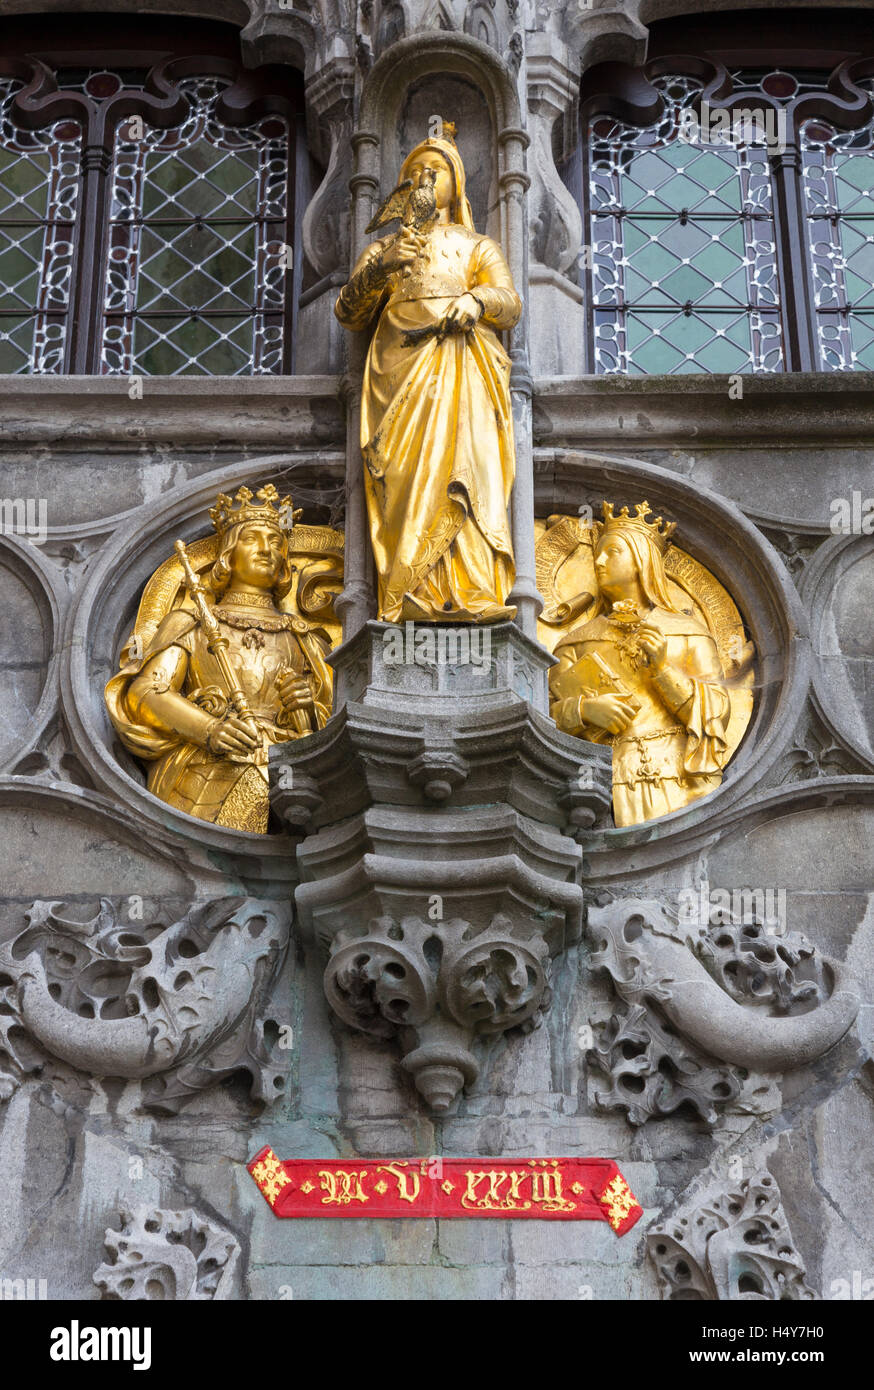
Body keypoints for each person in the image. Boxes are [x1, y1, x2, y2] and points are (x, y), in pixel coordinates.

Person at [335, 122, 522, 622]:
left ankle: (472, 592)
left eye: (435, 170)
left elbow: (509, 304)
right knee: (408, 481)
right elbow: (349, 313)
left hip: (462, 364)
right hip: (399, 371)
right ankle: (407, 592)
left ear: (455, 183)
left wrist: (476, 299)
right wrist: (381, 267)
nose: (423, 177)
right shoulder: (384, 249)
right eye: (413, 171)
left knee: (469, 469)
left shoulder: (476, 246)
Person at [105, 485, 332, 832]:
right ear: (228, 553)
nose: (265, 549)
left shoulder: (304, 637)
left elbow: (336, 721)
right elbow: (146, 693)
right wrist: (209, 728)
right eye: (252, 539)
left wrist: (307, 708)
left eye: (275, 541)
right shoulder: (192, 621)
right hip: (210, 761)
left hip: (288, 767)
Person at [550, 502, 731, 827]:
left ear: (642, 559)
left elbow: (715, 710)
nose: (599, 560)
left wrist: (663, 670)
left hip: (674, 775)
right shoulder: (574, 642)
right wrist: (584, 710)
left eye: (613, 551)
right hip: (597, 782)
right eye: (598, 553)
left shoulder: (687, 632)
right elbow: (545, 715)